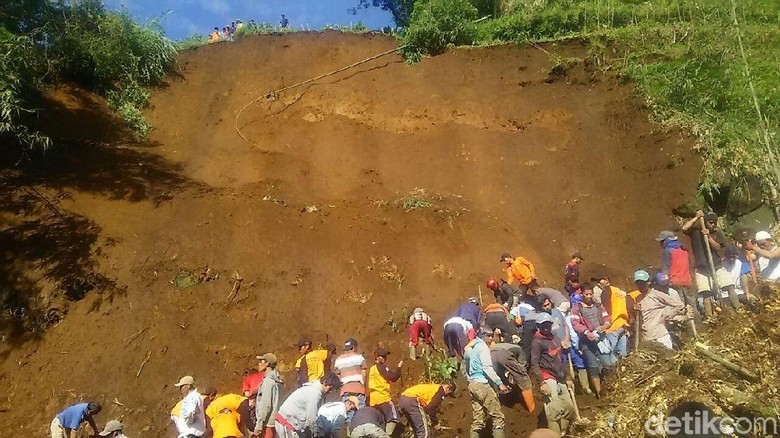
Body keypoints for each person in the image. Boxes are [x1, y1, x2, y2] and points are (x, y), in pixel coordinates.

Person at [682, 210, 740, 316]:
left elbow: (718, 248)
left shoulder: (717, 233)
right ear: (705, 222)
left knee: (729, 286)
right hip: (702, 267)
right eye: (710, 222)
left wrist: (708, 238)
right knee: (706, 292)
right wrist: (696, 217)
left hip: (717, 265)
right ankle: (709, 316)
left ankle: (738, 308)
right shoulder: (695, 232)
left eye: (715, 222)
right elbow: (684, 228)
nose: (713, 225)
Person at [530, 313, 574, 436]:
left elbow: (562, 359)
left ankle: (563, 433)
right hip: (547, 376)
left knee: (569, 408)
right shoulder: (537, 342)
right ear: (539, 326)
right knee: (554, 410)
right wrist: (542, 382)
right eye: (543, 325)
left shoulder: (555, 339)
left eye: (548, 324)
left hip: (560, 375)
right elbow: (534, 363)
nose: (546, 327)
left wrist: (568, 377)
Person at [570, 284, 613, 398]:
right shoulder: (577, 309)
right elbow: (575, 324)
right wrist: (586, 332)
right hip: (586, 342)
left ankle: (609, 388)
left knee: (607, 364)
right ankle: (599, 393)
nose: (589, 296)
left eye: (591, 294)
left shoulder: (599, 306)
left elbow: (607, 318)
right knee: (593, 366)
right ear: (582, 294)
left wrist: (605, 326)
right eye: (586, 294)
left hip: (600, 339)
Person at [464, 328, 507, 438]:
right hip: (482, 384)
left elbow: (466, 366)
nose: (491, 338)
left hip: (473, 384)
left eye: (491, 335)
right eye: (488, 335)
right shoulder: (483, 348)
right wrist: (499, 383)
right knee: (498, 417)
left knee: (478, 420)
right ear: (482, 336)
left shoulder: (471, 348)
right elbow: (487, 367)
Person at [275, 373, 342, 438]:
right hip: (286, 422)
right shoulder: (314, 393)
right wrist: (316, 433)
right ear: (325, 382)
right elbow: (311, 417)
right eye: (330, 389)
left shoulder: (314, 390)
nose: (330, 392)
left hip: (291, 422)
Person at [634, 273, 688, 349]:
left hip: (660, 336)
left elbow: (679, 305)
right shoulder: (638, 299)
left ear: (648, 282)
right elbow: (639, 320)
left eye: (642, 283)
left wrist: (666, 316)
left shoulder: (657, 295)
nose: (640, 286)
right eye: (638, 283)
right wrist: (636, 312)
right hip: (647, 338)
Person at [594, 274, 634, 358]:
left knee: (610, 354)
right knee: (622, 355)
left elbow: (606, 310)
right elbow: (628, 304)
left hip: (613, 326)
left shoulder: (606, 292)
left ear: (607, 280)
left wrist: (604, 324)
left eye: (600, 281)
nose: (598, 284)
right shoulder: (618, 291)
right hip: (623, 323)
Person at [490, 342, 535, 412]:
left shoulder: (505, 345)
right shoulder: (520, 350)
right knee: (523, 377)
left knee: (497, 376)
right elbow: (522, 367)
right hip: (503, 354)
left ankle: (496, 405)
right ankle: (531, 408)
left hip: (491, 354)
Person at [367, 348, 402, 435]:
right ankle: (386, 435)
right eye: (383, 356)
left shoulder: (372, 368)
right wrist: (399, 368)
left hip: (373, 400)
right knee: (394, 416)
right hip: (383, 397)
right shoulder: (382, 367)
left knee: (381, 421)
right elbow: (393, 377)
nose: (385, 358)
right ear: (377, 357)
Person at [333, 338, 369, 424]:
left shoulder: (338, 360)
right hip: (358, 388)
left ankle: (350, 433)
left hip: (345, 389)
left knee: (348, 413)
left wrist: (342, 387)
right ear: (354, 347)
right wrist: (362, 385)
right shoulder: (359, 357)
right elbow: (364, 373)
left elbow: (338, 376)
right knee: (361, 414)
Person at [656, 230, 693, 300]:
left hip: (674, 282)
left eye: (662, 241)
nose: (661, 244)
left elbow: (665, 271)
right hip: (687, 281)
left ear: (665, 241)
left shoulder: (667, 251)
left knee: (678, 306)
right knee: (691, 306)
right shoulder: (683, 251)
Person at [510, 286, 542, 364]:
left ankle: (524, 364)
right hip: (538, 323)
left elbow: (516, 321)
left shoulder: (517, 308)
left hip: (528, 324)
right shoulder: (530, 306)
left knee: (526, 347)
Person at [254, 353, 282, 438]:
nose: (259, 364)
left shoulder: (268, 382)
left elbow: (266, 405)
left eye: (261, 361)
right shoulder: (275, 380)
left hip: (267, 424)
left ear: (267, 364)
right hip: (273, 422)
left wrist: (259, 425)